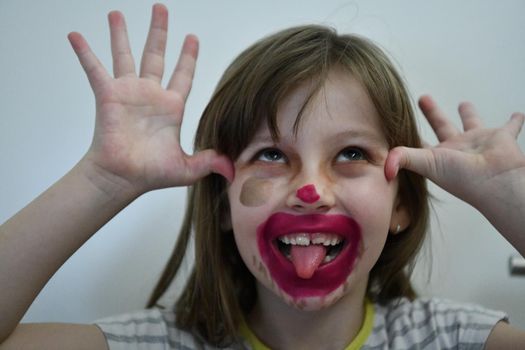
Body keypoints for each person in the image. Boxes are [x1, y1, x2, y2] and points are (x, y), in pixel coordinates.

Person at [1, 3, 524, 349]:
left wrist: (510, 199)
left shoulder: (453, 339)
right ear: (224, 205)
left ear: (402, 205)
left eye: (351, 153)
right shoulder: (158, 342)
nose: (309, 190)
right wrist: (102, 183)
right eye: (272, 156)